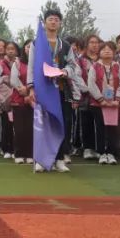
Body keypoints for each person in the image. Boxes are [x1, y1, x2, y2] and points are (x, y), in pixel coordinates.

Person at [26, 9, 78, 173]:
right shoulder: (37, 43)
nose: (53, 22)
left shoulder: (66, 45)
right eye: (50, 19)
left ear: (60, 23)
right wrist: (31, 88)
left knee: (61, 124)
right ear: (45, 23)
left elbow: (73, 65)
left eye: (56, 19)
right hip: (43, 90)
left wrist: (65, 72)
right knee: (44, 125)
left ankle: (60, 159)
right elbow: (32, 66)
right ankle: (41, 159)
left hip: (61, 90)